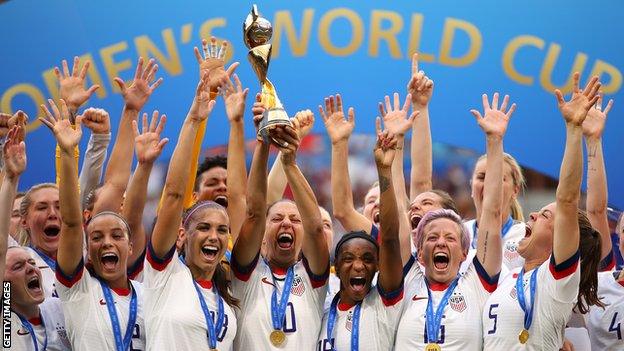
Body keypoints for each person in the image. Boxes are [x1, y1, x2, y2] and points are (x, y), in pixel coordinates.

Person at [482, 73, 603, 350]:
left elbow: (568, 199)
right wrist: (494, 142)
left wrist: (574, 130)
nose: (533, 215)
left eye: (546, 215)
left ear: (563, 235)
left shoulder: (558, 283)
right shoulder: (508, 277)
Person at [396, 92, 512, 350]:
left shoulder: (476, 283)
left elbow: (491, 215)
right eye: (432, 237)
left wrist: (494, 141)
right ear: (420, 254)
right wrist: (394, 146)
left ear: (463, 253)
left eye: (449, 238)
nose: (440, 242)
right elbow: (396, 217)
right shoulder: (407, 278)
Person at [145, 54, 240, 349]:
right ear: (182, 234)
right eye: (204, 228)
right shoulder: (165, 273)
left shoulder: (225, 299)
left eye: (222, 230)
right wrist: (195, 118)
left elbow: (244, 199)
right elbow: (175, 193)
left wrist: (239, 124)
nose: (214, 236)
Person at [41, 100, 147, 350]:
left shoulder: (149, 295)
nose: (107, 242)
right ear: (86, 245)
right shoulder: (78, 289)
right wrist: (67, 153)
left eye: (117, 236)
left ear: (130, 247)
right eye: (97, 237)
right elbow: (70, 221)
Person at [231, 114, 329, 349]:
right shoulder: (246, 273)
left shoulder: (312, 277)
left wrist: (290, 164)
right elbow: (254, 213)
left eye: (295, 219)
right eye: (276, 218)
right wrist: (263, 140)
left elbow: (315, 228)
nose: (286, 223)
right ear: (264, 233)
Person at [317, 122, 404, 350]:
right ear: (335, 265)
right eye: (348, 259)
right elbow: (342, 209)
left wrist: (384, 171)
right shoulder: (322, 311)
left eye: (367, 259)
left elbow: (391, 238)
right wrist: (338, 144)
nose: (358, 266)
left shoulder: (383, 302)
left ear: (378, 265)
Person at [2, 126, 71, 350]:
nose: (33, 268)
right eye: (19, 266)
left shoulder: (56, 309)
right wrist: (11, 178)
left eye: (32, 263)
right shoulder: (4, 312)